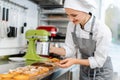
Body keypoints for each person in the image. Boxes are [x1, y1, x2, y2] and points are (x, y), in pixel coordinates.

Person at [50, 0, 113, 80]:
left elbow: (98, 61)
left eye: (74, 15)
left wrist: (74, 61)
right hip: (85, 70)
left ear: (85, 11)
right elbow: (69, 49)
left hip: (102, 72)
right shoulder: (72, 25)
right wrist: (50, 49)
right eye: (67, 15)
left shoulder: (102, 30)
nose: (70, 19)